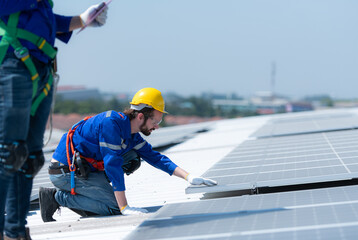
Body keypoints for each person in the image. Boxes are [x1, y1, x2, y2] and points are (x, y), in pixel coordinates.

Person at [0, 1, 109, 239]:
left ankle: (15, 232)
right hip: (13, 64)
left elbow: (43, 20)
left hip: (40, 69)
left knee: (29, 157)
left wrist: (81, 20)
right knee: (9, 152)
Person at [39, 87, 217, 221]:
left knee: (132, 157)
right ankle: (57, 197)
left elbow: (156, 158)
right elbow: (112, 165)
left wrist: (188, 177)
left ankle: (93, 197)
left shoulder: (131, 135)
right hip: (64, 172)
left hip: (83, 168)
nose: (157, 126)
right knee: (113, 208)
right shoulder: (111, 124)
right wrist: (124, 206)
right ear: (141, 116)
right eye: (155, 121)